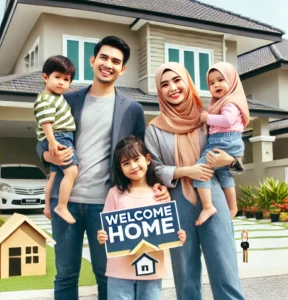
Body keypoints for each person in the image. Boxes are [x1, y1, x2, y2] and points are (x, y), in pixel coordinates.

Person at [36, 36, 169, 300]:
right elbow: (42, 142)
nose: (109, 64)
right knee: (65, 275)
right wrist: (49, 157)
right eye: (104, 58)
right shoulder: (67, 98)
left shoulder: (132, 108)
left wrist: (156, 185)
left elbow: (140, 155)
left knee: (107, 275)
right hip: (67, 202)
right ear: (93, 60)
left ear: (123, 69)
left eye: (116, 61)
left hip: (108, 205)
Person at [145, 62, 245, 300]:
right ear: (159, 91)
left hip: (214, 196)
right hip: (177, 202)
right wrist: (186, 171)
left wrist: (229, 160)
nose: (173, 88)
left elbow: (235, 157)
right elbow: (153, 169)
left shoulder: (210, 118)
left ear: (187, 82)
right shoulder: (154, 129)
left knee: (225, 268)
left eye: (177, 80)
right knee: (185, 274)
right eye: (165, 84)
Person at [97, 136, 186, 300]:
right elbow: (106, 229)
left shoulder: (159, 194)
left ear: (148, 159)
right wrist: (102, 236)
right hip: (120, 270)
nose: (133, 166)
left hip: (151, 267)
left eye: (136, 159)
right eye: (125, 163)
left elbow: (169, 227)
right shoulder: (115, 194)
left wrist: (178, 235)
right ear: (120, 168)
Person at [193, 62, 250, 225]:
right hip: (230, 141)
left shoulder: (230, 102)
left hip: (224, 141)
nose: (216, 85)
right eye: (211, 83)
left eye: (220, 80)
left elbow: (227, 120)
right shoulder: (220, 103)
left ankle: (207, 206)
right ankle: (233, 207)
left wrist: (207, 118)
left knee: (201, 169)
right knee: (225, 174)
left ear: (231, 81)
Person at [34, 55, 78, 224]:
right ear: (45, 77)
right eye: (57, 77)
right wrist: (52, 142)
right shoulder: (45, 99)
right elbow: (46, 122)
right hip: (59, 136)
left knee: (53, 175)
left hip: (59, 136)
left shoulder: (55, 96)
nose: (61, 82)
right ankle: (61, 205)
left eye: (66, 80)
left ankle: (47, 206)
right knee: (72, 171)